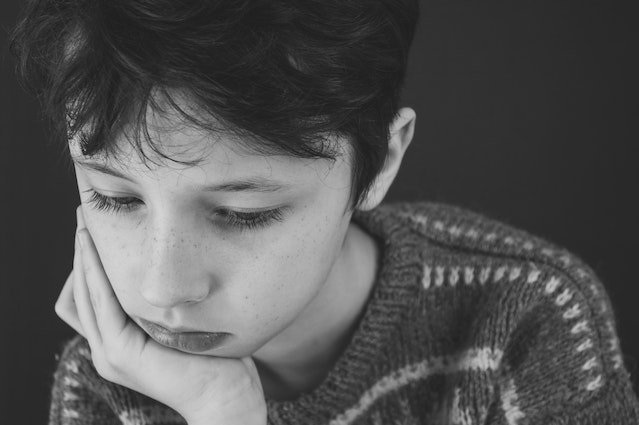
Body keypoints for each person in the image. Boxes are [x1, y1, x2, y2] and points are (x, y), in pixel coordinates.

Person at [9, 0, 639, 424]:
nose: (163, 288)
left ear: (382, 162)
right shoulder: (106, 384)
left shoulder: (523, 319)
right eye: (114, 198)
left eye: (243, 212)